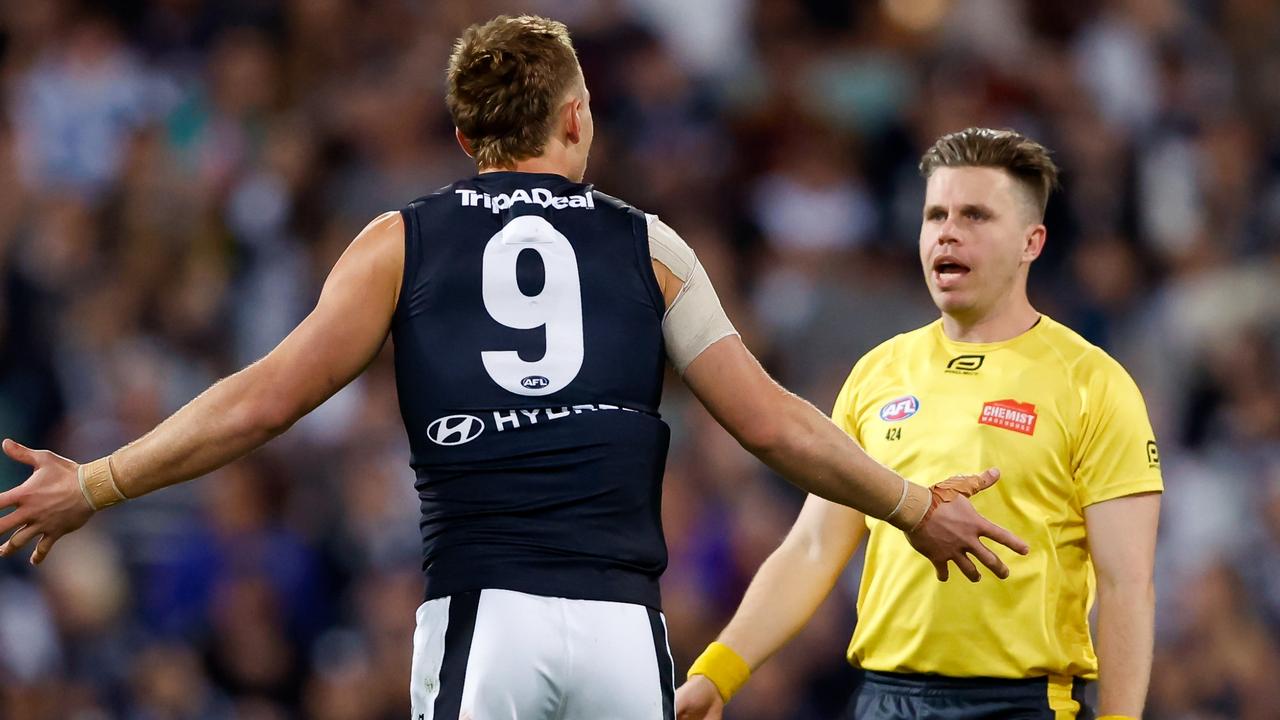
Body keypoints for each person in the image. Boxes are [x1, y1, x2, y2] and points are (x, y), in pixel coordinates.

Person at [0, 18, 1026, 720]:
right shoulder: (650, 247)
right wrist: (909, 504)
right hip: (626, 631)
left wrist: (97, 482)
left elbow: (262, 401)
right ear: (574, 118)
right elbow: (767, 424)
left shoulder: (399, 242)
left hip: (484, 618)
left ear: (463, 138)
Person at [675, 128, 1163, 720]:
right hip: (885, 701)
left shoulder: (1094, 383)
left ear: (1032, 242)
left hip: (1022, 705)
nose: (948, 232)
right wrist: (717, 673)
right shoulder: (877, 373)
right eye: (936, 215)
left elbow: (1125, 585)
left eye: (976, 215)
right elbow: (812, 548)